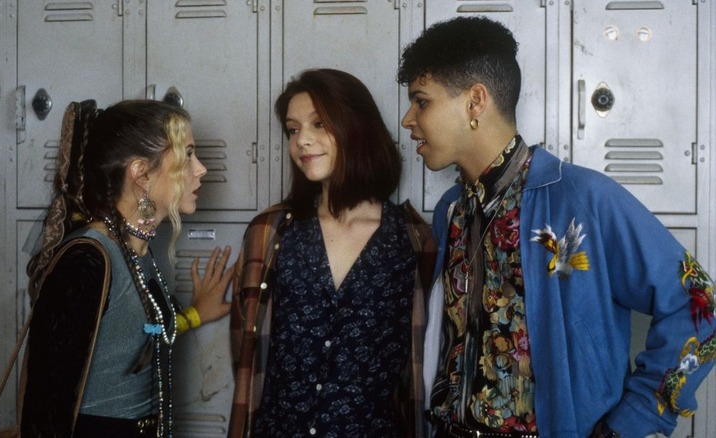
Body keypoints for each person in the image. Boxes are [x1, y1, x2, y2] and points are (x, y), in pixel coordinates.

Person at [397, 16, 716, 438]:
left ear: (475, 101)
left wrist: (632, 421)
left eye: (422, 102)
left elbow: (699, 304)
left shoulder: (581, 199)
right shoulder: (451, 210)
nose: (407, 119)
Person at [228, 68, 436, 438]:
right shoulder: (270, 232)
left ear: (358, 128)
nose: (302, 141)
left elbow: (421, 365)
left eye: (319, 124)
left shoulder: (412, 241)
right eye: (293, 130)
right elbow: (246, 357)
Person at [20, 99, 234, 438]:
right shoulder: (86, 260)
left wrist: (195, 315)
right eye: (188, 154)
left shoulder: (137, 249)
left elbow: (138, 333)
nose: (201, 169)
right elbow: (45, 401)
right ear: (141, 173)